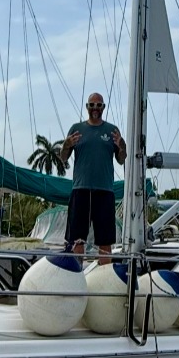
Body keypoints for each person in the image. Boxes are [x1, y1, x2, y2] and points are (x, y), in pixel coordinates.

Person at [61, 93, 126, 259]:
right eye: (92, 105)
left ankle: (104, 279)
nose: (95, 108)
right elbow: (63, 157)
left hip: (104, 190)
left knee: (105, 241)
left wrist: (122, 146)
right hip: (80, 190)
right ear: (87, 107)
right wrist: (66, 145)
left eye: (99, 105)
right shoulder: (77, 129)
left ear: (103, 107)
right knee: (77, 240)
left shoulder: (112, 130)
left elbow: (121, 159)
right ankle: (76, 277)